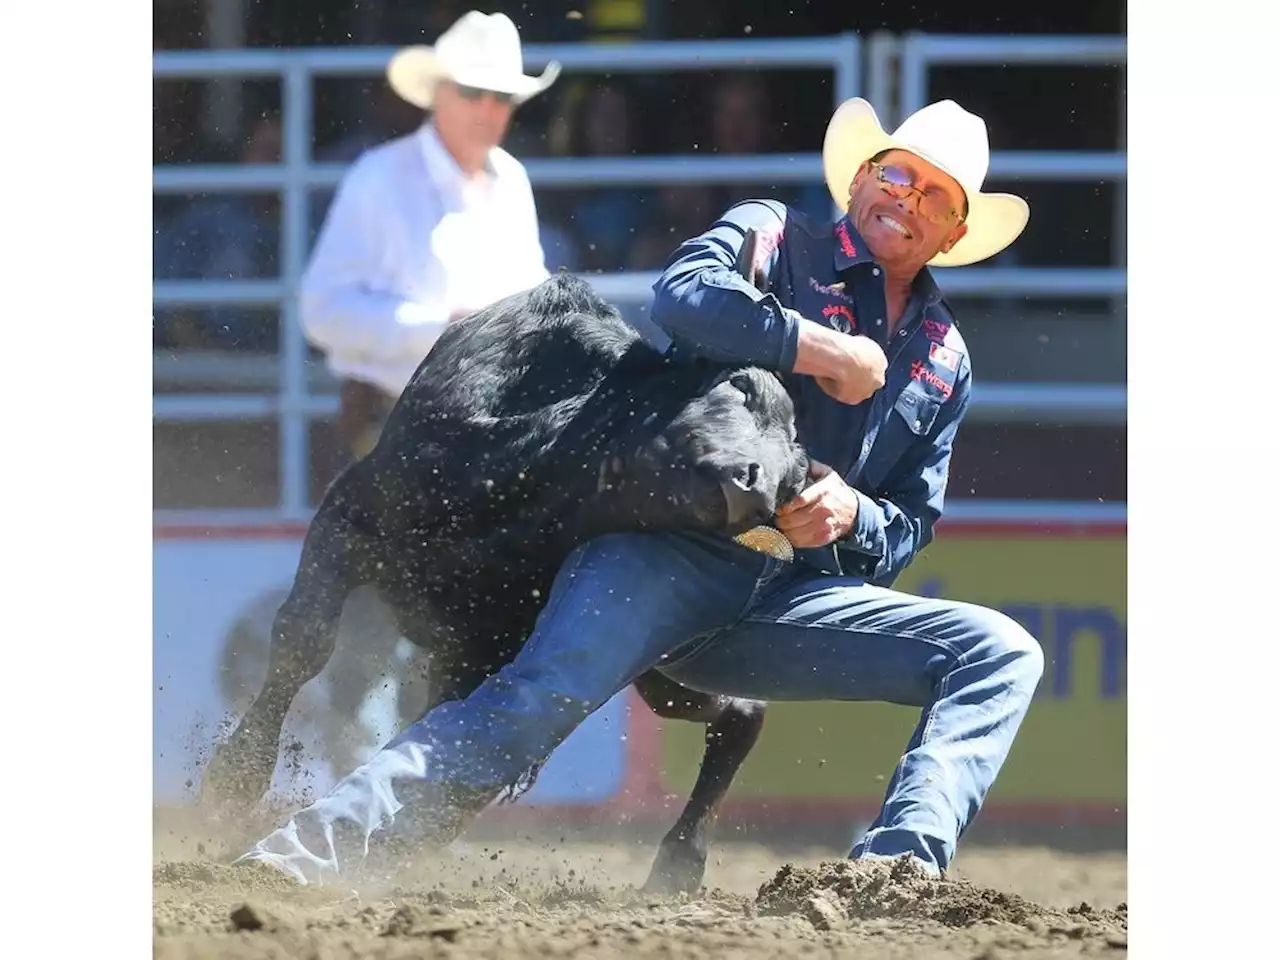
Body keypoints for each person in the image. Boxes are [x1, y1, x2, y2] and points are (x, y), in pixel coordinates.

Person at [238, 97, 1044, 885]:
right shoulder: (775, 235)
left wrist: (856, 513)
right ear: (863, 175)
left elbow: (909, 522)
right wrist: (814, 344)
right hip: (661, 549)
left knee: (1001, 653)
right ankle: (296, 861)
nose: (906, 198)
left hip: (788, 594)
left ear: (955, 231)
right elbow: (682, 296)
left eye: (934, 194)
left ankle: (895, 872)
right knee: (525, 707)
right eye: (898, 174)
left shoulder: (945, 359)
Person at [301, 9, 560, 460]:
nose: (487, 107)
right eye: (472, 91)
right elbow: (321, 311)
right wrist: (442, 330)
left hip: (498, 433)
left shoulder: (512, 179)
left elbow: (534, 296)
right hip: (392, 427)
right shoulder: (378, 177)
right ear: (437, 94)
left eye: (501, 95)